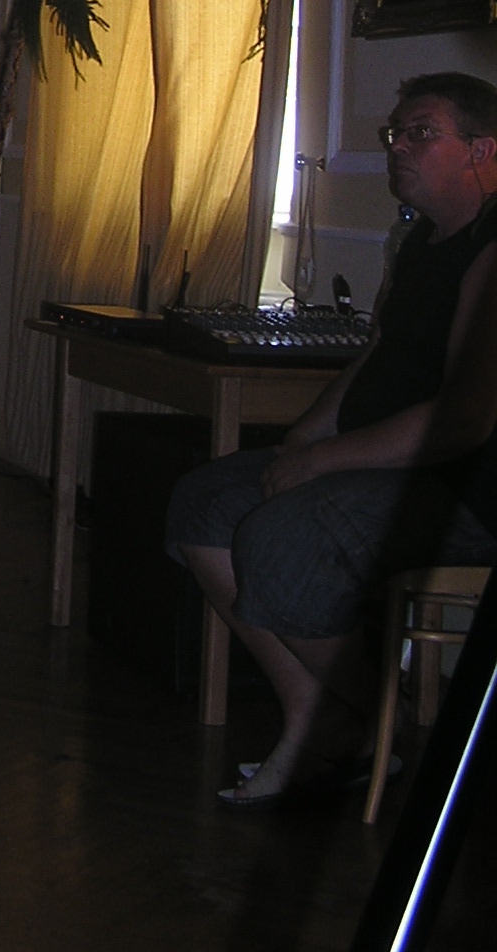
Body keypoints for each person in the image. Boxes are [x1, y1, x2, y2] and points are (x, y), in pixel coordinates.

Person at [167, 72, 497, 808]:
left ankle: (387, 724)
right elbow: (378, 355)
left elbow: (464, 420)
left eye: (421, 132)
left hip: (467, 487)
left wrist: (322, 462)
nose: (397, 147)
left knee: (284, 535)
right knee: (207, 501)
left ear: (483, 150)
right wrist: (304, 439)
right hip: (386, 463)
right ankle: (327, 724)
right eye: (395, 133)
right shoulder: (417, 240)